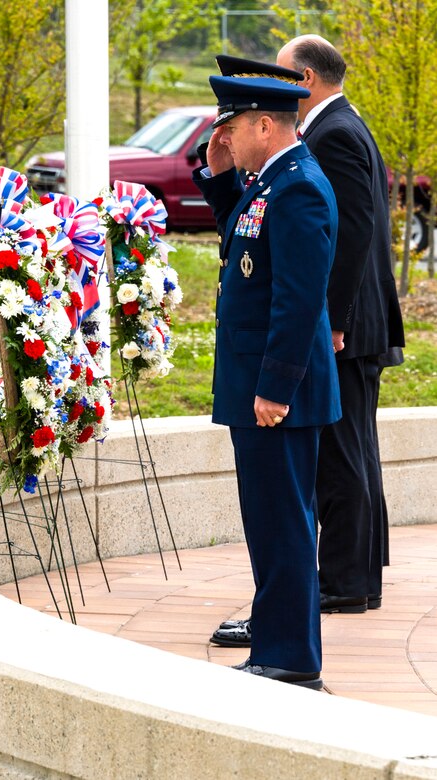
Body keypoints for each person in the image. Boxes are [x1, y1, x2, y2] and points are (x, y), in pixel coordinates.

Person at [193, 73, 341, 688]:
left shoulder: (298, 186)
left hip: (277, 396)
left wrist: (275, 389)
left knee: (282, 523)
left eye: (231, 126)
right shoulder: (269, 183)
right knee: (272, 519)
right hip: (260, 389)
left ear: (264, 124)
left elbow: (298, 300)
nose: (223, 134)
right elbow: (244, 237)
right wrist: (220, 173)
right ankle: (281, 646)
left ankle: (289, 658)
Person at [276, 35, 405, 614]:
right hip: (355, 322)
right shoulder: (342, 126)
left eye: (281, 76)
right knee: (356, 450)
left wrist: (332, 321)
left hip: (348, 327)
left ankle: (346, 583)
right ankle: (359, 575)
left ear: (305, 79)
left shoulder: (335, 135)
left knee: (342, 455)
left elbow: (350, 236)